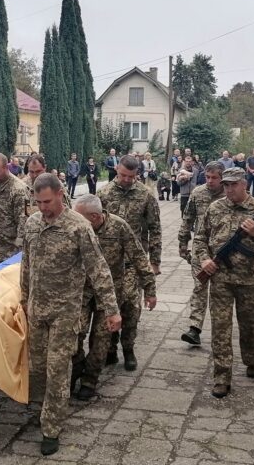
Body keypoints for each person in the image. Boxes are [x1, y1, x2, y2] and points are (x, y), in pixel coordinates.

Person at [21, 174, 120, 455]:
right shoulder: (32, 224)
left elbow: (98, 269)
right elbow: (26, 265)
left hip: (65, 312)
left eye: (47, 201)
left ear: (61, 194)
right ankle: (43, 410)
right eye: (38, 202)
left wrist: (111, 310)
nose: (42, 207)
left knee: (58, 369)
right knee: (38, 367)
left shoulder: (78, 227)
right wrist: (23, 300)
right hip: (36, 311)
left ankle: (52, 427)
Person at [192, 167, 254, 398]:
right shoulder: (215, 208)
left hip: (250, 280)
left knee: (251, 325)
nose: (229, 189)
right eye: (226, 184)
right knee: (220, 328)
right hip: (221, 279)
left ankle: (252, 359)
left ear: (245, 184)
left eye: (234, 184)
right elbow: (200, 239)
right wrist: (204, 260)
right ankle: (222, 376)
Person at [72, 194, 154, 401]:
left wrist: (150, 289)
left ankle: (90, 380)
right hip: (81, 291)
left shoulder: (119, 227)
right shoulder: (75, 227)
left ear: (95, 216)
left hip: (108, 294)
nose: (74, 219)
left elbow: (138, 257)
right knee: (75, 333)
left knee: (101, 339)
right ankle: (76, 366)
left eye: (79, 216)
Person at [97, 155, 161, 370]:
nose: (125, 179)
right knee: (110, 305)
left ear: (137, 175)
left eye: (131, 176)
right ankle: (110, 348)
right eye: (123, 175)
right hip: (110, 260)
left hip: (135, 260)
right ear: (116, 169)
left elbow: (155, 228)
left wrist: (155, 261)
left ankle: (128, 348)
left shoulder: (145, 195)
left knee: (132, 307)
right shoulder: (103, 194)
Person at [178, 161, 225, 346]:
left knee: (220, 291)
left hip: (222, 252)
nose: (210, 181)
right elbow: (187, 219)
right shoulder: (198, 193)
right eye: (207, 177)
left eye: (215, 178)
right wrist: (182, 243)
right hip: (200, 248)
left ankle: (221, 327)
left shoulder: (229, 194)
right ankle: (194, 328)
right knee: (199, 286)